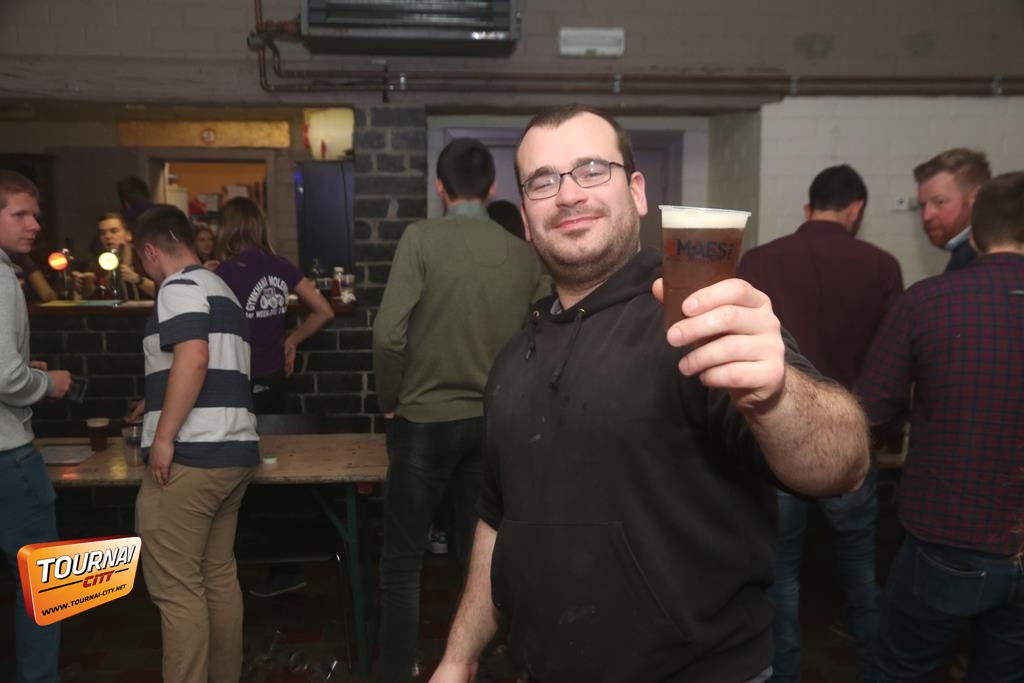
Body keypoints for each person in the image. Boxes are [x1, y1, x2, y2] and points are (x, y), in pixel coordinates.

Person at [428, 105, 870, 683]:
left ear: (636, 192)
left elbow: (843, 464)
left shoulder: (696, 319)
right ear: (527, 219)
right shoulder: (515, 359)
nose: (568, 194)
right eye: (542, 181)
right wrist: (458, 657)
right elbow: (497, 520)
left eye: (592, 169)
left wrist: (777, 396)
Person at [373, 137, 547, 682]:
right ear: (493, 188)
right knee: (477, 563)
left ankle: (396, 673)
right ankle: (472, 665)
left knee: (402, 561)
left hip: (424, 421)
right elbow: (540, 342)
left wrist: (389, 401)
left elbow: (387, 336)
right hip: (493, 424)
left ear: (439, 187)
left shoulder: (421, 239)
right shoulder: (523, 253)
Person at [736, 164, 903, 682]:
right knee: (860, 570)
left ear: (808, 208)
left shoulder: (760, 259)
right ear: (855, 209)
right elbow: (892, 362)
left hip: (779, 436)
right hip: (847, 438)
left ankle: (784, 675)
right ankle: (875, 672)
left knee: (781, 576)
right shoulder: (882, 266)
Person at [856, 171, 1024, 682]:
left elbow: (870, 410)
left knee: (902, 670)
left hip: (948, 533)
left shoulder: (929, 300)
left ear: (975, 233)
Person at [133, 204, 260, 683]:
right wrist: (155, 399)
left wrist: (164, 436)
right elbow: (210, 364)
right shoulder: (221, 288)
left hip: (192, 456)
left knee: (178, 591)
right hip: (234, 453)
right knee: (217, 578)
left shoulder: (177, 286)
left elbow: (195, 357)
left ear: (150, 251)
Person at [0, 169, 72, 683]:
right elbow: (5, 377)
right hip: (9, 457)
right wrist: (48, 384)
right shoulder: (2, 277)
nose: (34, 225)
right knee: (43, 589)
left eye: (35, 214)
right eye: (19, 214)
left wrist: (26, 371)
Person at [215, 196, 334, 416]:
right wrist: (292, 340)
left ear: (226, 229)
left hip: (240, 373)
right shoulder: (281, 265)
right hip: (275, 371)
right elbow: (324, 311)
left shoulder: (226, 271)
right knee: (275, 433)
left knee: (244, 435)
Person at [913, 147, 991, 272]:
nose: (926, 216)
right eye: (922, 205)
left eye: (939, 202)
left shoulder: (978, 262)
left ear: (976, 197)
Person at [72, 212, 155, 299]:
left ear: (129, 235)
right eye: (103, 233)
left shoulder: (147, 259)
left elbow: (163, 291)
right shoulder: (98, 267)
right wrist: (80, 287)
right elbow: (91, 299)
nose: (107, 236)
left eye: (114, 231)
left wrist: (138, 280)